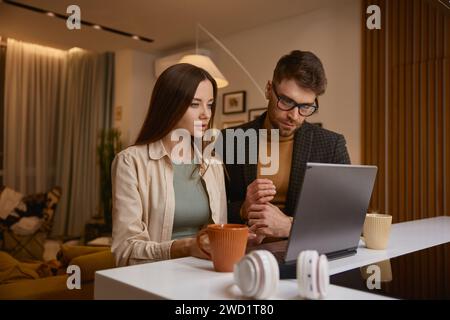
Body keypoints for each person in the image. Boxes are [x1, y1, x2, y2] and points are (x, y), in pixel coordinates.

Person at [224, 50, 351, 244]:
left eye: (306, 107)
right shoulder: (231, 140)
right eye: (287, 101)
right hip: (240, 252)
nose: (295, 115)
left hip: (305, 256)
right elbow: (210, 211)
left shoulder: (331, 145)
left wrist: (290, 227)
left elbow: (348, 218)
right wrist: (242, 209)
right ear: (268, 89)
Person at [111, 63, 228, 267]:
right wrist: (185, 247)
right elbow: (126, 250)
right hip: (154, 278)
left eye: (209, 104)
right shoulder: (130, 162)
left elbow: (220, 232)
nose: (206, 114)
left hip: (204, 271)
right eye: (195, 104)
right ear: (169, 105)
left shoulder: (213, 163)